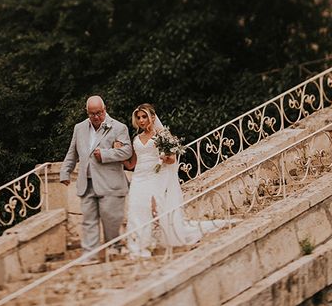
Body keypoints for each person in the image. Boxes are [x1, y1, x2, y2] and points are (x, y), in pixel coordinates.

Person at [124, 103, 229, 258]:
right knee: (135, 205)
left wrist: (162, 157)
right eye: (138, 117)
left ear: (152, 117)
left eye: (144, 116)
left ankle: (151, 241)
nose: (141, 120)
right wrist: (116, 158)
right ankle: (137, 243)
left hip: (155, 175)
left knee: (152, 207)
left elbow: (172, 159)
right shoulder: (136, 138)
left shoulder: (163, 135)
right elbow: (132, 163)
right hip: (139, 176)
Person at [60, 96, 133, 262]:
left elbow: (127, 151)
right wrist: (65, 172)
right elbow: (72, 153)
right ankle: (89, 255)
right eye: (92, 114)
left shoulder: (118, 127)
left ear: (105, 109)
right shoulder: (79, 128)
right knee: (88, 220)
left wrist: (106, 154)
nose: (96, 117)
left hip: (110, 183)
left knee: (111, 219)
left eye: (99, 112)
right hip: (86, 182)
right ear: (87, 113)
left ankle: (114, 248)